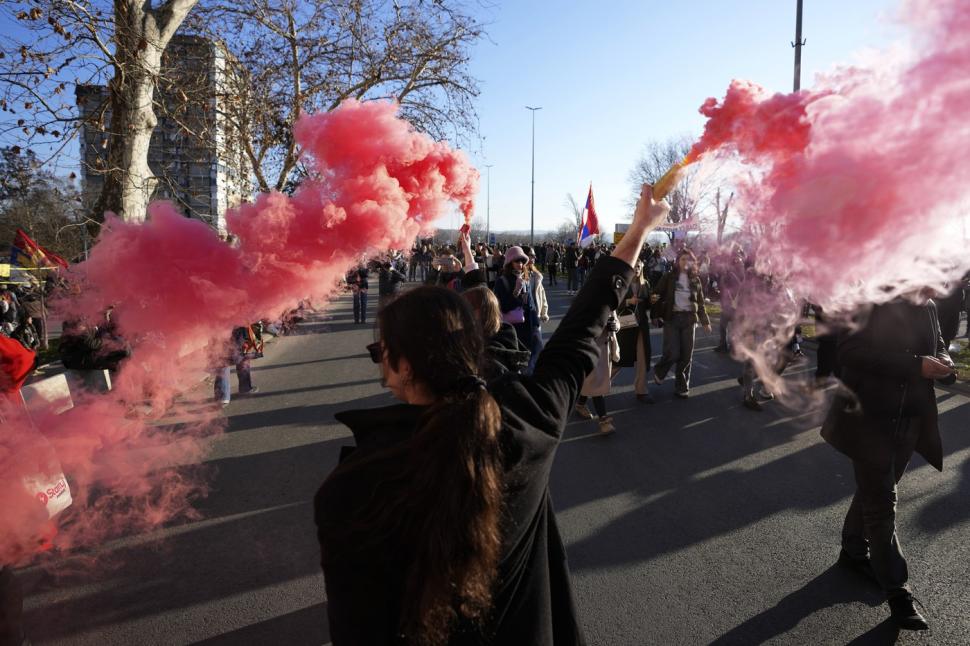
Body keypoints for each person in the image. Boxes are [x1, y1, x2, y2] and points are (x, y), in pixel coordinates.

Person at [313, 183, 669, 645]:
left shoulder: (352, 490)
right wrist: (639, 230)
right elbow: (583, 325)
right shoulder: (528, 416)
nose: (377, 359)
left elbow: (357, 631)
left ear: (403, 365)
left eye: (379, 349)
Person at [821, 293, 956, 631]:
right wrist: (915, 365)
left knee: (879, 489)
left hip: (910, 420)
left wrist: (942, 361)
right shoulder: (872, 297)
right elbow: (849, 352)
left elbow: (938, 342)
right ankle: (899, 593)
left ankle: (853, 549)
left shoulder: (928, 305)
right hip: (871, 421)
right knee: (883, 503)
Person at [651, 249, 711, 398]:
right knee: (673, 352)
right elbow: (656, 295)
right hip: (672, 319)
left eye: (688, 260)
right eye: (682, 259)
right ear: (678, 261)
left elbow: (701, 303)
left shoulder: (695, 280)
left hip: (689, 320)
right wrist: (655, 313)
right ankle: (660, 370)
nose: (685, 262)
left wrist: (705, 322)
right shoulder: (668, 277)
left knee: (686, 355)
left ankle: (681, 386)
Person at [614, 260, 654, 403]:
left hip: (641, 326)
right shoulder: (621, 283)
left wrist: (652, 301)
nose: (636, 269)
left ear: (642, 267)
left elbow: (648, 306)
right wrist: (627, 302)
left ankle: (641, 391)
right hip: (626, 326)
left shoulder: (645, 284)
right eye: (634, 266)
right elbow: (613, 303)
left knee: (642, 359)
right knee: (618, 359)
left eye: (639, 266)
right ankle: (597, 386)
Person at [574, 311, 620, 434]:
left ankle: (580, 403)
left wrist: (615, 326)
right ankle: (603, 421)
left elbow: (616, 321)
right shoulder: (586, 302)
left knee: (592, 382)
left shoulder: (610, 302)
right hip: (591, 349)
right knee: (596, 382)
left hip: (606, 349)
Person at [493, 246, 539, 355]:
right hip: (511, 329)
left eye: (522, 261)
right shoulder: (502, 281)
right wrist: (516, 293)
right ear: (509, 262)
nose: (520, 264)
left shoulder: (525, 279)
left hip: (528, 327)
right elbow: (502, 306)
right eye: (517, 260)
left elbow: (531, 304)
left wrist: (536, 324)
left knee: (531, 358)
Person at [523, 246, 549, 374]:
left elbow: (542, 294)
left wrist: (544, 311)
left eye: (534, 255)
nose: (534, 258)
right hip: (521, 318)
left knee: (537, 348)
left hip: (535, 316)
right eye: (531, 255)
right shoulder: (518, 275)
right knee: (525, 350)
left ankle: (532, 375)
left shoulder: (536, 275)